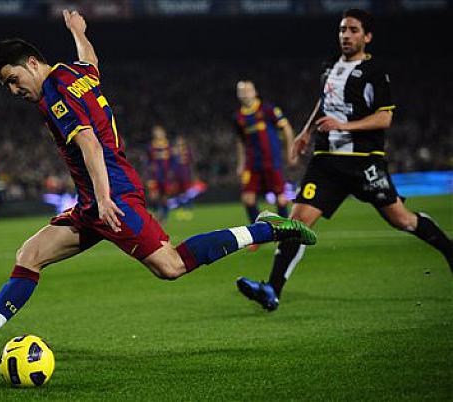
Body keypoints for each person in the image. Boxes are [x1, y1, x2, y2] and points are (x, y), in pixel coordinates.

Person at [0, 10, 317, 363]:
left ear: (32, 63)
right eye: (6, 86)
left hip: (112, 195)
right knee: (30, 254)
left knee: (171, 266)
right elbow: (92, 61)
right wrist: (79, 33)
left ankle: (266, 229)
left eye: (13, 80)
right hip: (93, 201)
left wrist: (103, 199)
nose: (13, 91)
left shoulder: (54, 95)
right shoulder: (73, 73)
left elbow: (89, 144)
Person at [237, 9, 453, 312]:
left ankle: (449, 252)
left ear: (367, 36)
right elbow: (324, 101)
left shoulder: (375, 72)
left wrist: (344, 126)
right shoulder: (330, 66)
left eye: (353, 30)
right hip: (326, 162)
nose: (346, 36)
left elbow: (384, 118)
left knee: (402, 220)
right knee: (296, 224)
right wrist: (305, 132)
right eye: (342, 30)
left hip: (363, 161)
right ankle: (272, 290)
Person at [234, 80, 295, 225]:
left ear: (255, 92)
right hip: (252, 163)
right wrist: (241, 164)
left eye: (248, 90)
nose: (245, 94)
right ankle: (258, 231)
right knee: (248, 198)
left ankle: (285, 230)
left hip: (271, 161)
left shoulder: (268, 110)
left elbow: (286, 128)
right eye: (242, 91)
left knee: (281, 198)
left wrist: (290, 151)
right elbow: (240, 141)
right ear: (238, 95)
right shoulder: (238, 117)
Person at [146, 125, 173, 222]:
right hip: (155, 175)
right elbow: (148, 160)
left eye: (159, 132)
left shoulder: (168, 145)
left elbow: (172, 160)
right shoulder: (151, 146)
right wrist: (149, 169)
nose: (158, 134)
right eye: (156, 132)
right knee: (154, 196)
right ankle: (157, 214)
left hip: (165, 175)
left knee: (165, 197)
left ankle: (165, 216)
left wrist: (171, 171)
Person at [171, 135, 194, 220]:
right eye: (178, 142)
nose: (179, 144)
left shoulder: (187, 151)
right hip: (177, 176)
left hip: (186, 175)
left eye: (181, 142)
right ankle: (180, 210)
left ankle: (188, 210)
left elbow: (190, 162)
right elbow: (172, 163)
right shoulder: (173, 152)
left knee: (187, 193)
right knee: (178, 194)